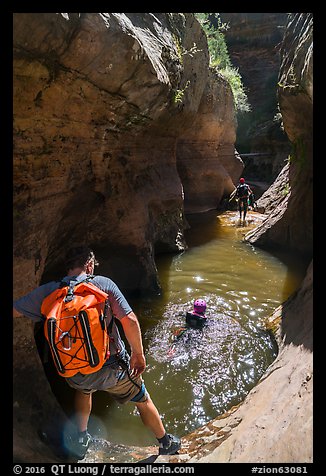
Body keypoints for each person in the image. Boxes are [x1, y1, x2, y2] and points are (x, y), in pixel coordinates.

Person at [13, 246, 181, 460]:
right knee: (141, 397)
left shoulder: (49, 291)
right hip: (112, 368)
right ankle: (166, 443)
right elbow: (129, 320)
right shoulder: (102, 284)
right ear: (89, 265)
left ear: (68, 267)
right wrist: (138, 354)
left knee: (84, 390)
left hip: (72, 371)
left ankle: (82, 440)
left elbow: (15, 310)